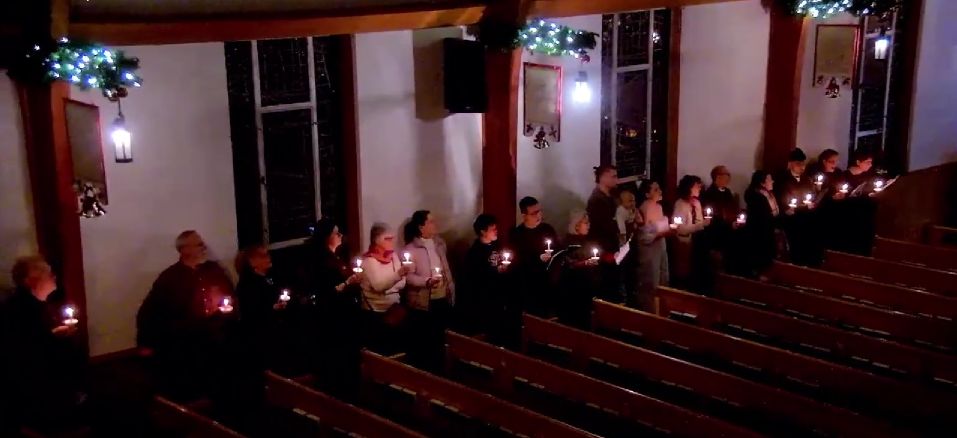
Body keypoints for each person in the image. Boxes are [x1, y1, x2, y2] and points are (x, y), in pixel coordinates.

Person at [136, 230, 235, 401]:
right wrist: (146, 342)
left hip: (217, 335)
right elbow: (150, 312)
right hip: (186, 342)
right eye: (198, 244)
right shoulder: (170, 278)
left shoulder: (214, 269)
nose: (204, 246)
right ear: (184, 250)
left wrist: (229, 308)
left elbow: (230, 295)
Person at [0, 256, 86, 434]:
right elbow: (29, 350)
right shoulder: (23, 309)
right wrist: (59, 337)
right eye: (48, 274)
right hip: (35, 386)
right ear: (30, 281)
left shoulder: (33, 305)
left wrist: (55, 333)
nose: (54, 277)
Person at [307, 218, 361, 397]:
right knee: (337, 360)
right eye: (337, 233)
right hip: (332, 318)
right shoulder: (321, 261)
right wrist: (347, 283)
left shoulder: (336, 257)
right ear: (327, 237)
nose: (340, 236)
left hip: (345, 314)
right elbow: (326, 291)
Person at [403, 210, 455, 371]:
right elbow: (408, 277)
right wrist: (426, 281)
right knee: (427, 340)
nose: (435, 224)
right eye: (431, 222)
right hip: (424, 301)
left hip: (442, 297)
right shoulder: (411, 249)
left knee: (442, 337)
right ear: (421, 227)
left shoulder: (440, 244)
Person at [359, 223, 410, 354]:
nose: (392, 242)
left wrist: (389, 285)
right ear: (376, 240)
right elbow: (378, 286)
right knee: (381, 352)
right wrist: (396, 276)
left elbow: (402, 283)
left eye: (392, 238)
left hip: (394, 310)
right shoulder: (369, 261)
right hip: (375, 314)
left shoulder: (393, 257)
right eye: (387, 239)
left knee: (398, 351)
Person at [461, 214, 510, 340]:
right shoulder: (475, 253)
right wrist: (495, 271)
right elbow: (475, 279)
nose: (496, 231)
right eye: (493, 229)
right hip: (485, 302)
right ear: (483, 231)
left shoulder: (498, 245)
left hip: (501, 298)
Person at [509, 197, 559, 316]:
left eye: (540, 211)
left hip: (549, 284)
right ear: (524, 215)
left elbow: (558, 249)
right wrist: (538, 258)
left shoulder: (547, 229)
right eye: (534, 213)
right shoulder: (517, 234)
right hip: (528, 286)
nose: (538, 215)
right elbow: (517, 260)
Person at [773, 148, 820, 266]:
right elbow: (779, 198)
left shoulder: (806, 179)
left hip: (806, 216)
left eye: (803, 164)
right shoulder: (782, 180)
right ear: (790, 164)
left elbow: (812, 195)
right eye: (798, 164)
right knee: (795, 242)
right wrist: (786, 208)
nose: (802, 167)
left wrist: (812, 202)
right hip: (790, 218)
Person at [557, 211, 601, 329]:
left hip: (586, 288)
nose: (589, 225)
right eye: (585, 223)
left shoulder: (586, 241)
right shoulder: (568, 242)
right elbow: (568, 264)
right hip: (572, 290)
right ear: (576, 225)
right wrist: (586, 263)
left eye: (588, 222)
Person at [587, 165, 623, 302]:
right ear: (603, 178)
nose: (617, 180)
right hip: (604, 250)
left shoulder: (610, 197)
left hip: (613, 247)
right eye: (613, 176)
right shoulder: (596, 200)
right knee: (608, 288)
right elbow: (601, 228)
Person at [635, 180, 673, 309]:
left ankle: (663, 307)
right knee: (651, 281)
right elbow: (643, 236)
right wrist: (658, 234)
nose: (660, 191)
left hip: (661, 246)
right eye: (655, 189)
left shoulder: (659, 207)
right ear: (647, 194)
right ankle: (650, 311)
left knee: (663, 275)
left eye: (659, 188)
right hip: (649, 250)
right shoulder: (644, 209)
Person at [672, 175, 711, 290]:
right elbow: (680, 228)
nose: (699, 188)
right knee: (683, 270)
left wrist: (703, 223)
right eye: (696, 186)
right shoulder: (680, 205)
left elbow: (698, 222)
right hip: (683, 241)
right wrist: (701, 225)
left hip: (696, 241)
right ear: (688, 188)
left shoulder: (696, 203)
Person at [744, 171, 786, 276]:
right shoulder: (755, 195)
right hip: (759, 231)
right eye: (769, 179)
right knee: (761, 255)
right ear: (762, 183)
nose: (772, 181)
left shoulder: (769, 194)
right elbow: (762, 215)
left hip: (769, 229)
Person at [700, 165, 739, 252]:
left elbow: (733, 208)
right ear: (718, 177)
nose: (729, 177)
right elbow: (713, 215)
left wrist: (735, 220)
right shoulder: (709, 194)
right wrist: (729, 223)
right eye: (727, 174)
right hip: (716, 231)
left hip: (729, 228)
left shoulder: (727, 191)